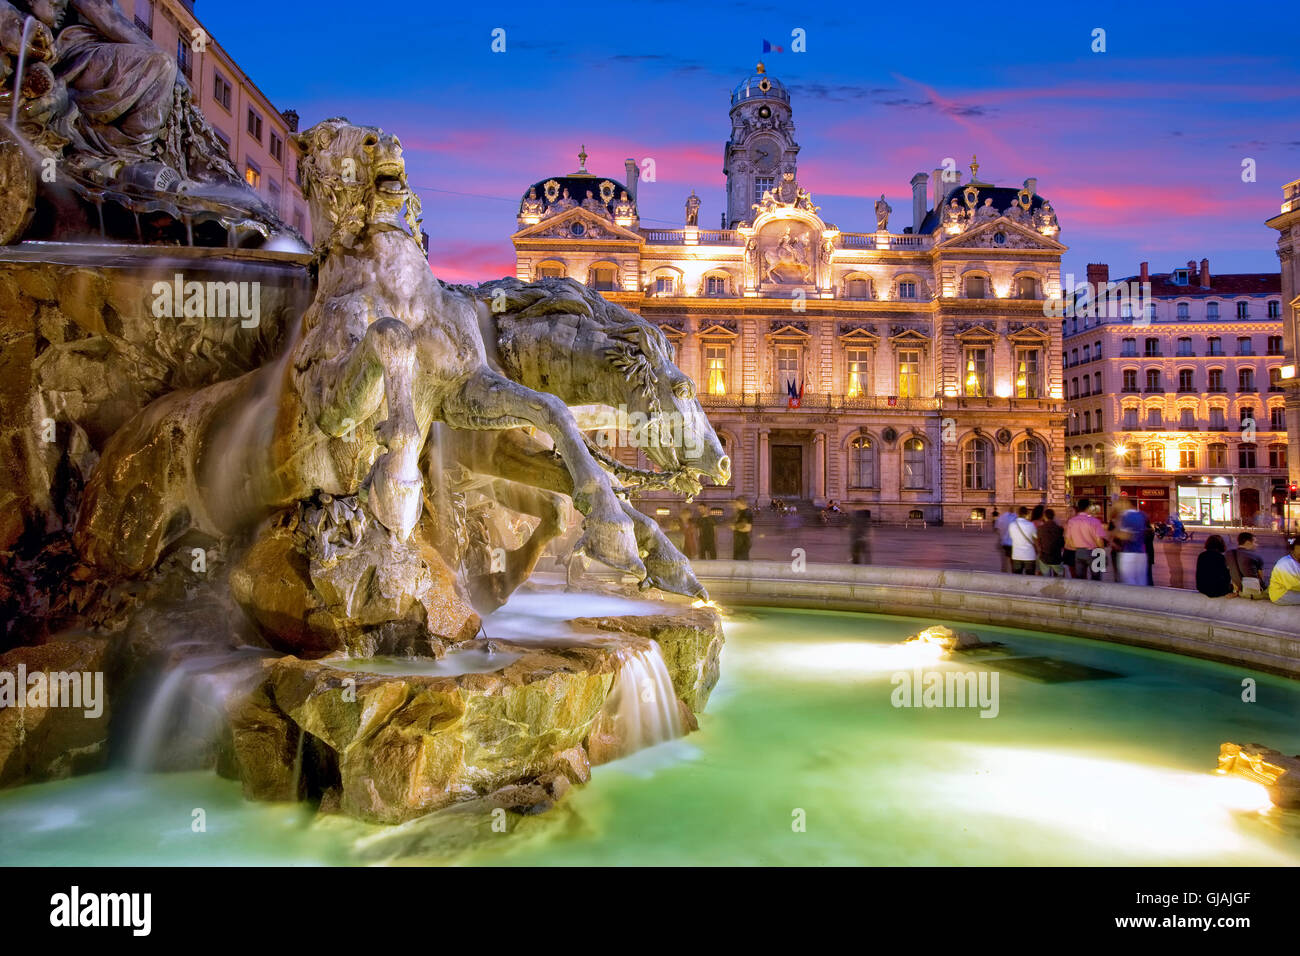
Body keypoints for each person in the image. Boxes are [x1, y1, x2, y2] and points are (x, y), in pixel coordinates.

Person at [1064, 498, 1107, 580]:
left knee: (1080, 578)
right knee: (1096, 578)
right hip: (1095, 551)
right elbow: (1099, 540)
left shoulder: (1071, 522)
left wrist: (1077, 547)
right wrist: (1102, 551)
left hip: (1078, 552)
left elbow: (1068, 540)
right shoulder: (1095, 521)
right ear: (1088, 508)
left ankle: (1082, 592)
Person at [1112, 497, 1149, 586]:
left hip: (1128, 554)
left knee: (1128, 583)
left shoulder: (1124, 516)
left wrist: (1114, 532)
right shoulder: (1142, 514)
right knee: (1141, 582)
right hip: (1141, 553)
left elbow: (1126, 536)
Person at [1228, 532, 1267, 599]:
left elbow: (1231, 573)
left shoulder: (1229, 554)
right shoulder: (1256, 556)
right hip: (1255, 593)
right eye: (1255, 542)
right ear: (1248, 543)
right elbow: (1261, 577)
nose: (1256, 545)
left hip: (1240, 592)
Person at [1268, 538, 1300, 605]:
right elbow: (1293, 585)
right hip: (1281, 594)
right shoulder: (1286, 563)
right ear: (1292, 550)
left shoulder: (1296, 560)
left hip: (1290, 591)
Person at [1008, 506, 1038, 574]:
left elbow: (1011, 537)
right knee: (1030, 579)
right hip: (1029, 555)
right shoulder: (1030, 525)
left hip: (1016, 555)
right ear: (1026, 514)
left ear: (1018, 514)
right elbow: (1036, 536)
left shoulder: (1012, 525)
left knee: (1017, 579)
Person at [1036, 508, 1066, 577]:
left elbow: (1039, 543)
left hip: (1044, 558)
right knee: (1060, 577)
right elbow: (1062, 543)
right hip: (1056, 558)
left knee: (1045, 578)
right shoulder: (1059, 528)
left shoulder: (1040, 528)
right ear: (1053, 516)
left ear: (1044, 516)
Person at [993, 506, 1016, 573]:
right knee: (1013, 560)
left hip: (1004, 542)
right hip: (1013, 542)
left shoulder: (1002, 517)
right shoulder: (1016, 517)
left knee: (1005, 560)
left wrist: (1001, 535)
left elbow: (996, 529)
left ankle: (1004, 573)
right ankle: (1013, 573)